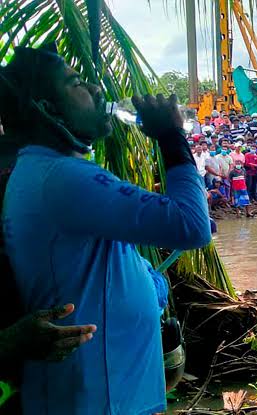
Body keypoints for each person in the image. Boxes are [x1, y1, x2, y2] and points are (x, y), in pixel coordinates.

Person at [0, 44, 211, 414]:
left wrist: (150, 287)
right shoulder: (63, 178)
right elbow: (192, 226)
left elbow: (105, 267)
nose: (98, 90)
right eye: (77, 83)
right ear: (48, 108)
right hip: (95, 398)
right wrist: (171, 137)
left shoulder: (49, 173)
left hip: (111, 392)